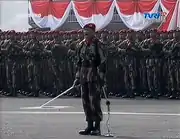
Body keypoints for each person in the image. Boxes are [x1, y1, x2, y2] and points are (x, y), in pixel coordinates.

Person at [73, 23, 106, 136]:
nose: (85, 32)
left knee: (94, 101)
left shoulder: (98, 45)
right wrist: (77, 77)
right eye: (84, 30)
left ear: (93, 32)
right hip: (83, 75)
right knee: (85, 101)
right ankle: (89, 125)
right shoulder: (81, 45)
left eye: (88, 30)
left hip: (94, 75)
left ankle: (97, 127)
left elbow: (103, 61)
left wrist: (101, 77)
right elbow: (78, 62)